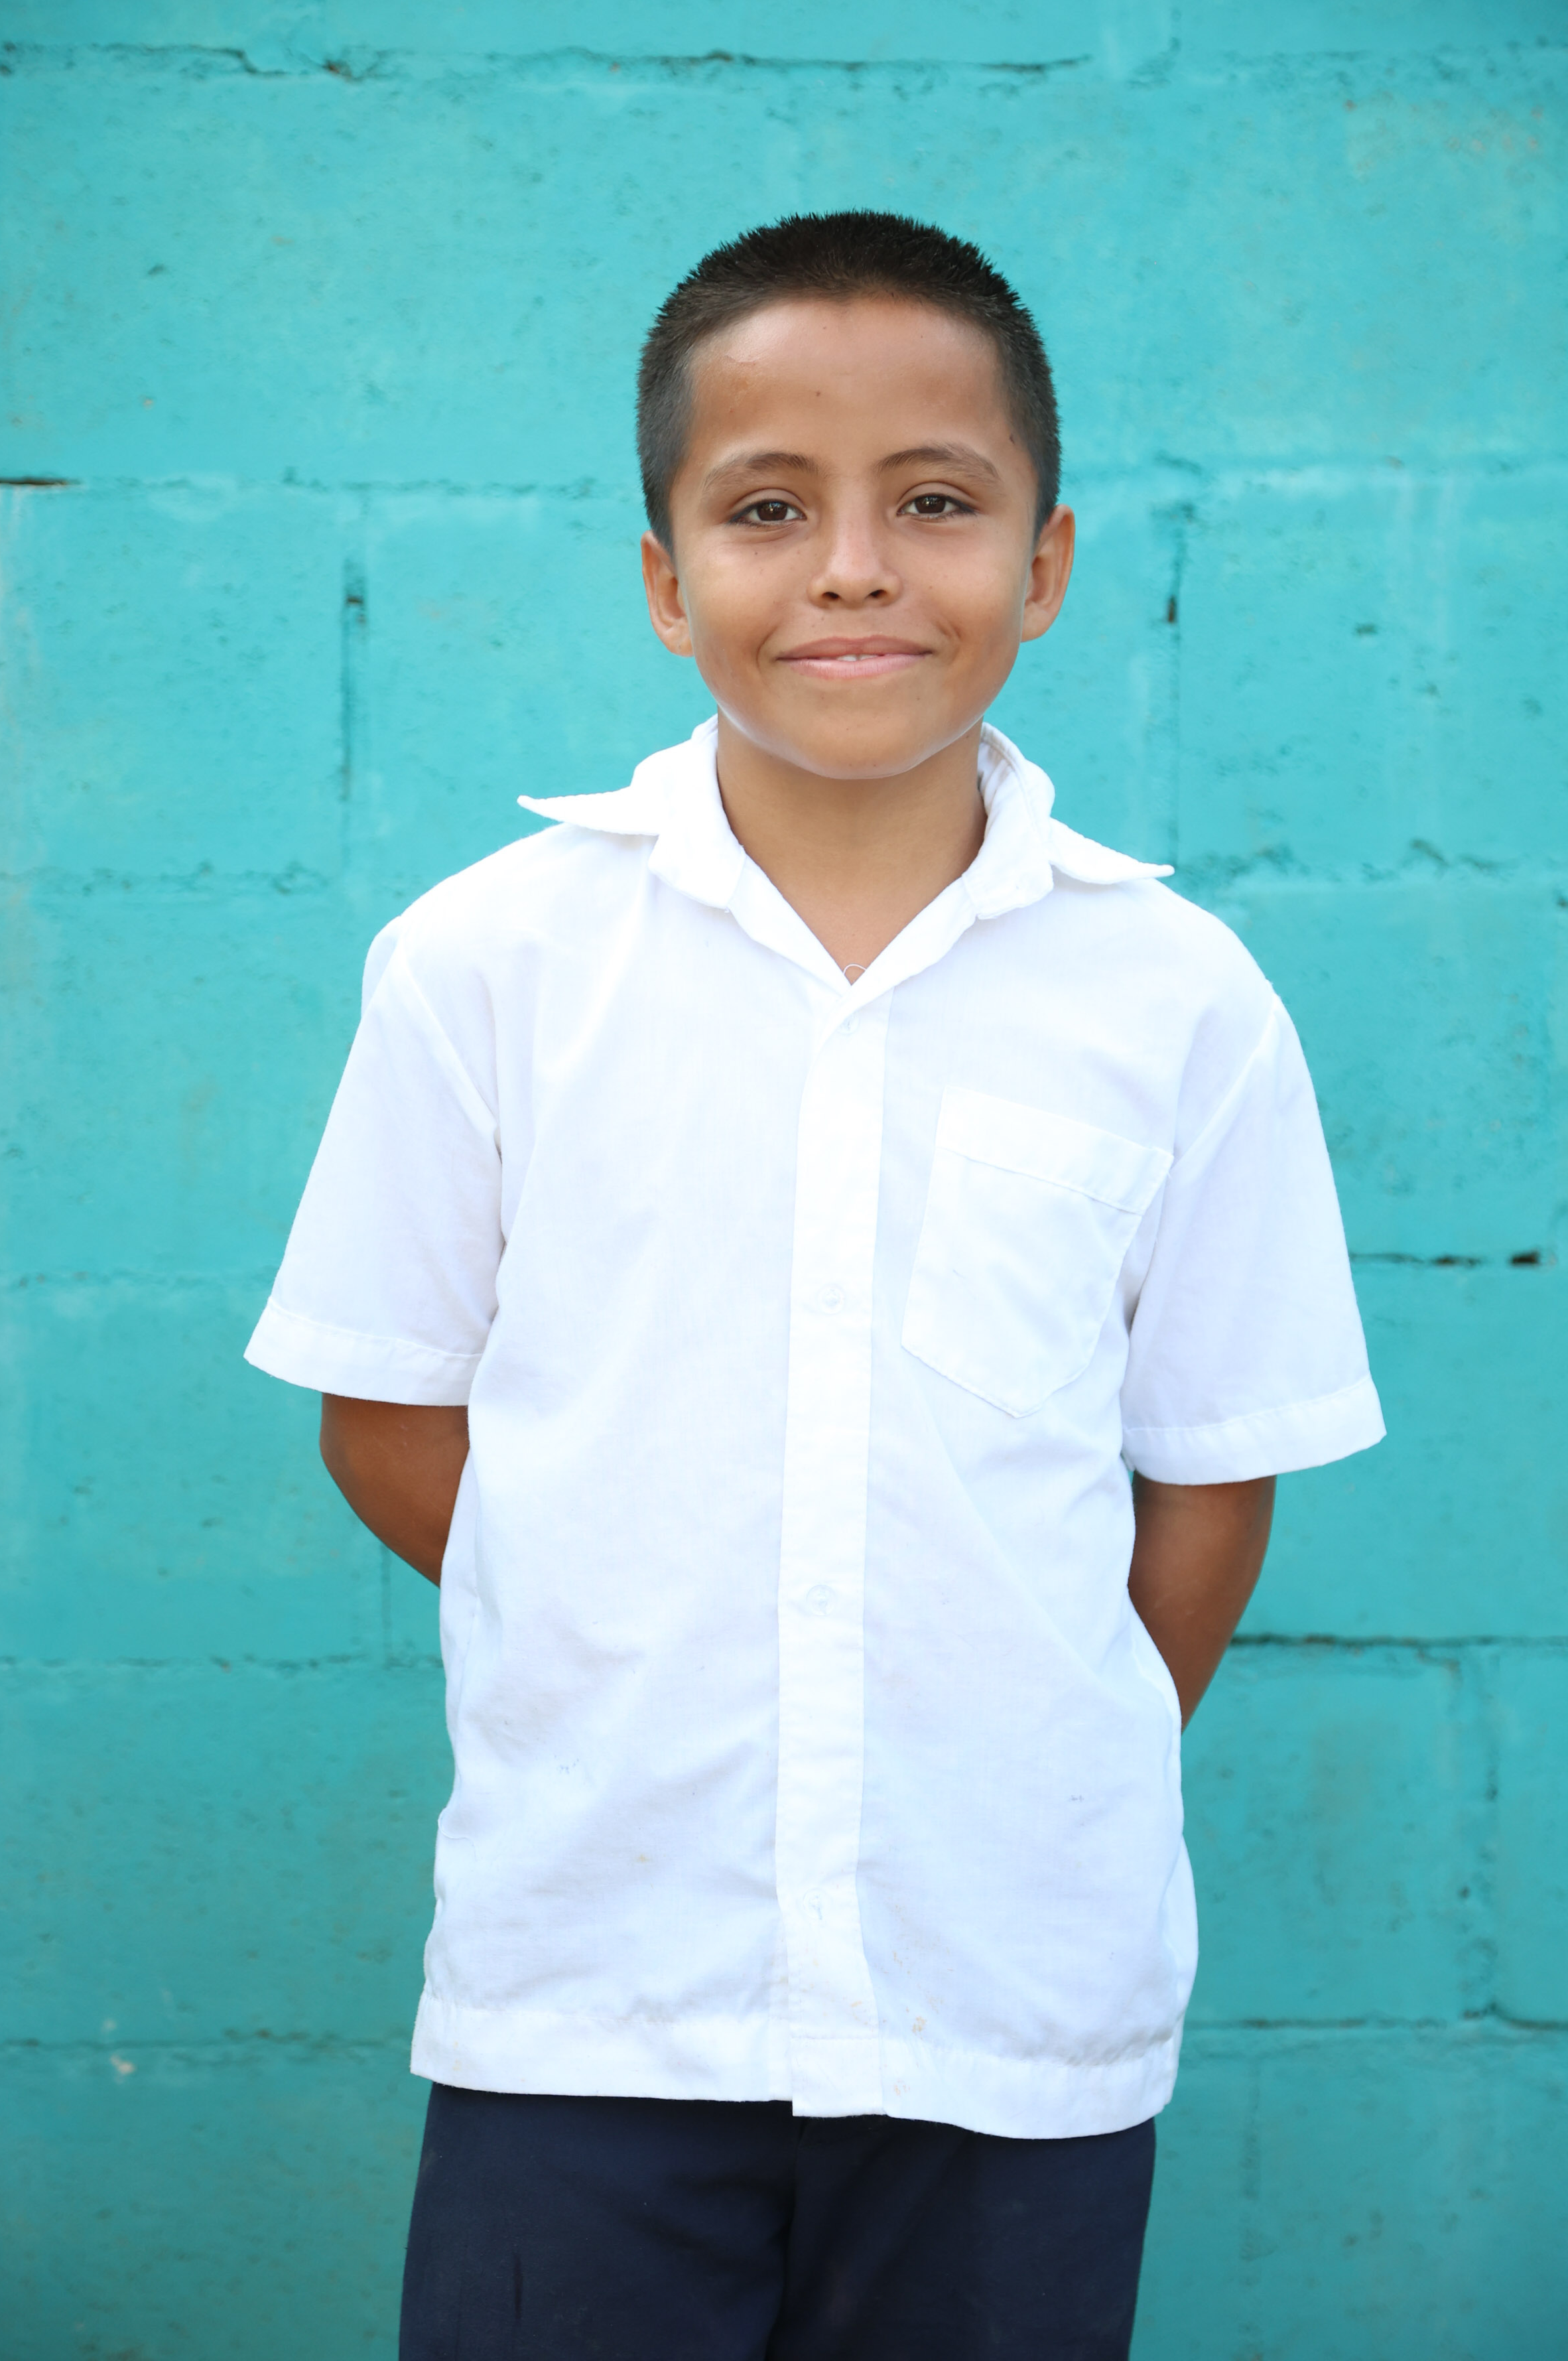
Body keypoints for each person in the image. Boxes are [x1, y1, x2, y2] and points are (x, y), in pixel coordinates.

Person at [246, 210, 1384, 2360]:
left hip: (1012, 2004)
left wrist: (1011, 1741)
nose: (854, 568)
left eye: (934, 502)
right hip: (590, 1995)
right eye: (768, 509)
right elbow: (388, 1419)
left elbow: (1208, 1483)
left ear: (1044, 565)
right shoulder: (487, 966)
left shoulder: (1180, 1003)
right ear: (667, 581)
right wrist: (621, 1613)